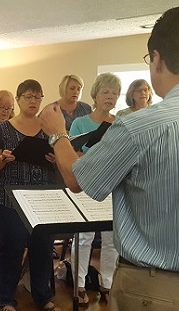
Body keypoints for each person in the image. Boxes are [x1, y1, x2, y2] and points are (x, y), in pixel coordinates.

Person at [40, 5, 179, 309]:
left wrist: (57, 133)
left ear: (156, 59)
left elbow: (76, 179)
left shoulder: (140, 125)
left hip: (152, 291)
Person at [0, 79, 60, 311]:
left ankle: (42, 296)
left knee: (43, 248)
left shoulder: (49, 129)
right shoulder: (2, 128)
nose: (33, 101)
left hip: (42, 199)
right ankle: (7, 298)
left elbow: (61, 162)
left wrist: (55, 160)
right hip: (10, 200)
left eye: (38, 97)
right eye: (28, 96)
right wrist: (3, 159)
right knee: (12, 247)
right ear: (18, 99)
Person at [68, 73, 121, 306]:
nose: (110, 96)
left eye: (114, 93)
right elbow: (73, 154)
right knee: (84, 236)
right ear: (95, 96)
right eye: (105, 92)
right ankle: (78, 284)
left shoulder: (119, 122)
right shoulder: (81, 123)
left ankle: (107, 283)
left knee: (111, 238)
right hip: (87, 185)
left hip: (112, 185)